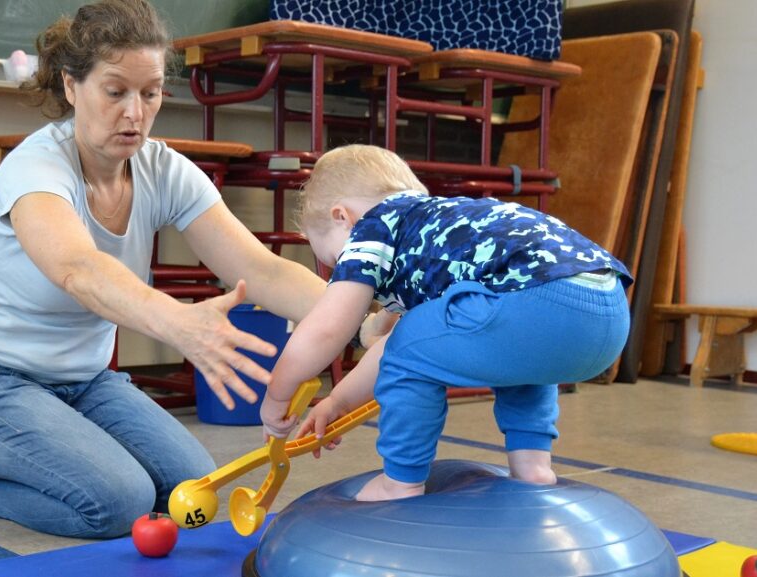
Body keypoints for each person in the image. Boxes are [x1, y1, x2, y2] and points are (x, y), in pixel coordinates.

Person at [0, 0, 338, 539]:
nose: (135, 112)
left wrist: (361, 316)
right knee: (117, 503)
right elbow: (77, 269)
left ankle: (45, 451)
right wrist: (181, 323)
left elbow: (262, 269)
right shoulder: (36, 168)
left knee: (197, 489)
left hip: (84, 382)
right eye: (115, 92)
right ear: (72, 86)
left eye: (151, 92)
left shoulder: (163, 170)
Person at [260, 144, 632, 502]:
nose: (343, 270)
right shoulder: (439, 233)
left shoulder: (373, 224)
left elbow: (330, 327)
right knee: (513, 360)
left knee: (415, 341)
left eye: (333, 259)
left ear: (342, 217)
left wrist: (278, 394)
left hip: (539, 301)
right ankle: (533, 467)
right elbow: (407, 345)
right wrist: (338, 401)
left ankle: (400, 483)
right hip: (607, 307)